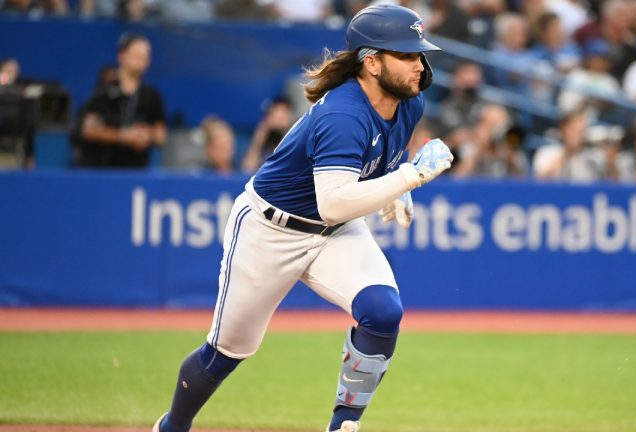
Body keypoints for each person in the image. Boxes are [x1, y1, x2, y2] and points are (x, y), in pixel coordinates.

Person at [151, 5, 453, 432]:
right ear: (371, 62)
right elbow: (333, 202)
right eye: (406, 55)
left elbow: (368, 171)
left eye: (419, 54)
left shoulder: (409, 101)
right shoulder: (342, 113)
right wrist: (409, 178)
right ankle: (172, 427)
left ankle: (342, 426)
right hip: (271, 229)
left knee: (383, 311)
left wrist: (395, 182)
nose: (419, 65)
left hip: (335, 231)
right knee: (225, 353)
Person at [76, 33, 166, 168]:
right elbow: (88, 130)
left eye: (146, 55)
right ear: (122, 56)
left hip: (136, 171)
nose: (142, 59)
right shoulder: (104, 92)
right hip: (103, 168)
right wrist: (123, 136)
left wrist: (147, 134)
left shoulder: (151, 95)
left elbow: (161, 136)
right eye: (137, 55)